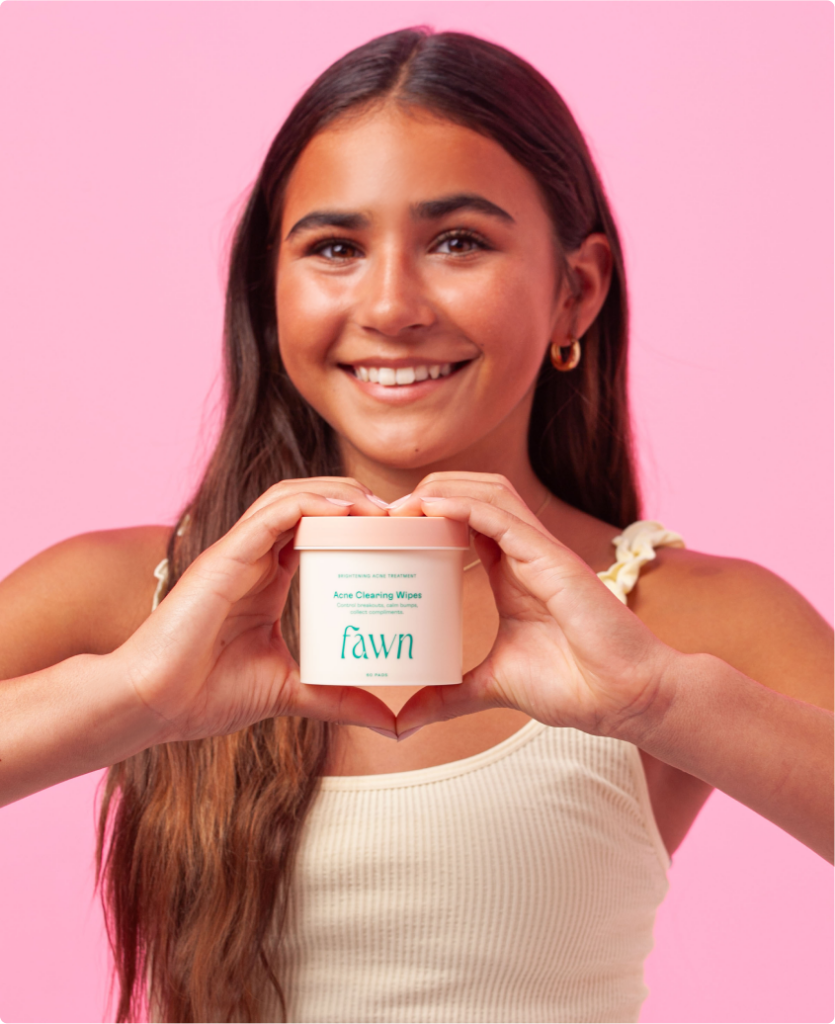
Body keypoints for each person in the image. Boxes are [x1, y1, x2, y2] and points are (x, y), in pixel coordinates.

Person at [1, 26, 833, 1024]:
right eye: (335, 248)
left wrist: (656, 703)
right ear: (269, 292)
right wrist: (132, 694)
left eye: (457, 242)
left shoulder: (688, 617)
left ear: (577, 290)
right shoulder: (127, 595)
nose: (391, 305)